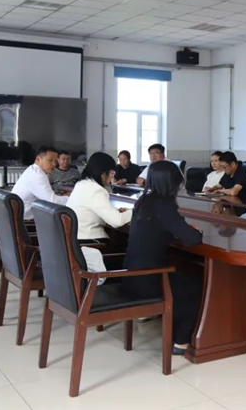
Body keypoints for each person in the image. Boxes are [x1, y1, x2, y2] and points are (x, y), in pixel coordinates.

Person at [122, 160, 203, 355]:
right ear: (172, 183)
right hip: (148, 280)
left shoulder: (144, 201)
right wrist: (192, 230)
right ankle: (181, 342)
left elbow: (160, 228)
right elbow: (193, 239)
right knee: (194, 286)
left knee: (181, 278)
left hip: (130, 275)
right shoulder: (164, 206)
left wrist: (179, 229)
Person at [66, 152, 132, 248]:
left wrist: (114, 211)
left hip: (76, 240)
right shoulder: (96, 190)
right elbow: (117, 221)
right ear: (102, 173)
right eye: (112, 173)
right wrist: (134, 211)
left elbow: (94, 209)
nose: (112, 177)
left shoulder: (82, 184)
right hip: (92, 243)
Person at [12, 146, 68, 220]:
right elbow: (53, 201)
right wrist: (73, 198)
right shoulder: (37, 175)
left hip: (20, 216)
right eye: (50, 160)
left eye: (55, 161)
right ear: (38, 159)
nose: (54, 164)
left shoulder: (33, 170)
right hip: (25, 221)